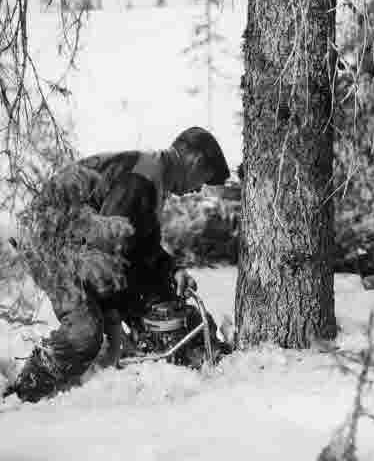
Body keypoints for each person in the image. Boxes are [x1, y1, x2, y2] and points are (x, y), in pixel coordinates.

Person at [4, 126, 230, 403]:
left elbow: (141, 244)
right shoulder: (143, 180)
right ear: (194, 161)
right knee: (85, 333)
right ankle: (23, 392)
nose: (198, 189)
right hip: (49, 239)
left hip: (75, 241)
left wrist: (172, 269)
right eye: (204, 179)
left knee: (151, 302)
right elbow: (105, 252)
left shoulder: (154, 176)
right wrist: (113, 316)